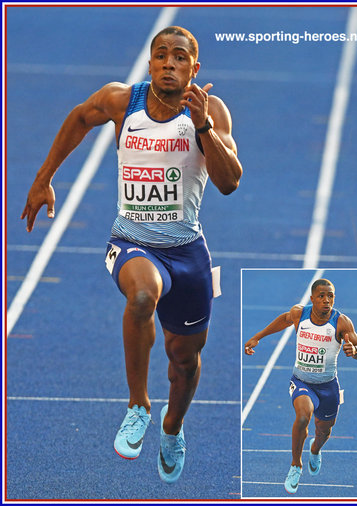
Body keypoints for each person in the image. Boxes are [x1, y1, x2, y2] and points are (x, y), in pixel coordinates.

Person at [21, 26, 243, 483]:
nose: (168, 63)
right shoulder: (124, 101)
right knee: (142, 297)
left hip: (187, 252)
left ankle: (172, 426)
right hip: (132, 241)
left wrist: (202, 126)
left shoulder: (210, 112)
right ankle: (138, 404)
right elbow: (81, 118)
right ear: (149, 64)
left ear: (193, 69)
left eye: (179, 57)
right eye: (160, 55)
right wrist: (44, 178)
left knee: (184, 360)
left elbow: (229, 181)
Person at [244, 278, 357, 494]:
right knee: (303, 417)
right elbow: (284, 319)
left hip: (328, 387)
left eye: (330, 296)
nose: (326, 300)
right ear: (312, 299)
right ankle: (296, 465)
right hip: (301, 381)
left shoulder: (341, 322)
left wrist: (355, 352)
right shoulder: (300, 314)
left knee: (323, 431)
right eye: (321, 296)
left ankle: (316, 450)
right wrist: (257, 337)